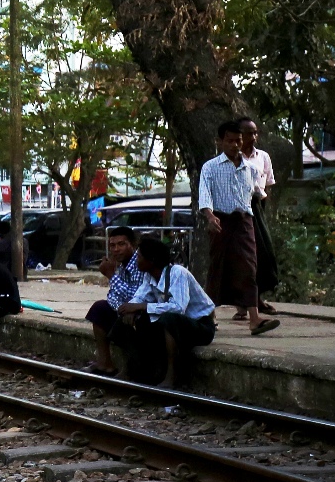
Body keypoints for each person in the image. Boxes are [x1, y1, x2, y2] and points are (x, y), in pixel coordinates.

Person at [198, 120, 278, 336]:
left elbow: (257, 193)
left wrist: (261, 202)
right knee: (218, 266)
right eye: (230, 141)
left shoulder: (251, 168)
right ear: (220, 142)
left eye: (238, 141)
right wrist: (210, 216)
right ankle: (209, 315)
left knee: (249, 267)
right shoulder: (210, 167)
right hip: (221, 221)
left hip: (244, 222)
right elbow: (204, 195)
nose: (234, 145)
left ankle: (254, 319)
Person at [118, 236, 217, 386]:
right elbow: (139, 297)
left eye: (139, 256)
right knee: (135, 319)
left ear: (151, 260)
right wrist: (130, 309)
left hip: (200, 326)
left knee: (169, 319)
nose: (136, 260)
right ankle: (135, 369)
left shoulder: (178, 273)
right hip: (176, 324)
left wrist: (143, 307)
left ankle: (172, 375)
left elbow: (178, 307)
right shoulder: (149, 276)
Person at [85, 225, 143, 375]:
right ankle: (105, 363)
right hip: (127, 310)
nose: (116, 249)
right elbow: (113, 296)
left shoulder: (139, 263)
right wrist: (121, 308)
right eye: (112, 245)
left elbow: (136, 295)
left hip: (144, 311)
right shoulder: (121, 266)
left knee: (128, 321)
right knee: (99, 309)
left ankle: (131, 369)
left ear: (132, 245)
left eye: (121, 244)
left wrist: (111, 275)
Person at [237, 117, 279, 314]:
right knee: (240, 258)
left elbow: (267, 187)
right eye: (248, 133)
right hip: (237, 210)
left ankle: (257, 299)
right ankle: (242, 305)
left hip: (257, 208)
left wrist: (263, 211)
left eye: (255, 133)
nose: (252, 137)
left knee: (262, 255)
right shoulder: (232, 158)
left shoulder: (262, 157)